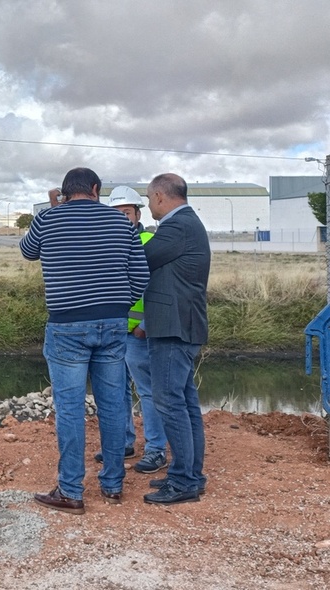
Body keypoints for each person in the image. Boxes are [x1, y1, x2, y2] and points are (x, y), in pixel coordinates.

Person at [21, 168, 150, 514]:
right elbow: (141, 276)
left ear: (64, 192)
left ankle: (71, 490)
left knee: (70, 409)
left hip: (66, 326)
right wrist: (120, 306)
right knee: (112, 406)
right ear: (96, 189)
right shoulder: (122, 224)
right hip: (112, 325)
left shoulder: (48, 219)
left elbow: (27, 251)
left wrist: (50, 208)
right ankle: (112, 484)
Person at [141, 173, 211, 505]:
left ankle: (184, 481)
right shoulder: (187, 222)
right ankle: (190, 475)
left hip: (174, 328)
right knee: (184, 404)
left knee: (170, 403)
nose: (148, 205)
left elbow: (143, 257)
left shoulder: (176, 226)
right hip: (182, 324)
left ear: (159, 196)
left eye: (148, 198)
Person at [101, 185, 169, 476]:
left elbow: (159, 288)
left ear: (137, 214)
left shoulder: (148, 241)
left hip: (140, 335)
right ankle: (123, 444)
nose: (121, 218)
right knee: (117, 393)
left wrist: (145, 325)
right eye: (116, 214)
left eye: (126, 212)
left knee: (148, 393)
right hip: (114, 332)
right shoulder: (108, 242)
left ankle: (155, 450)